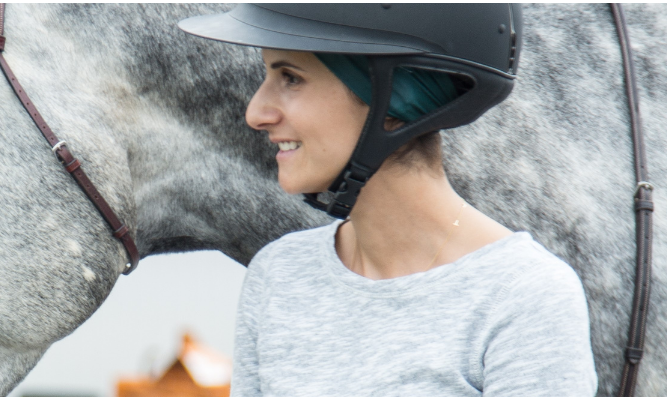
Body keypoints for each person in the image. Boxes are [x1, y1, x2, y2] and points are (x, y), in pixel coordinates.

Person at [178, 4, 597, 396]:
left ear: (394, 97)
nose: (256, 112)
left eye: (291, 78)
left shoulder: (523, 296)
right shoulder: (278, 274)